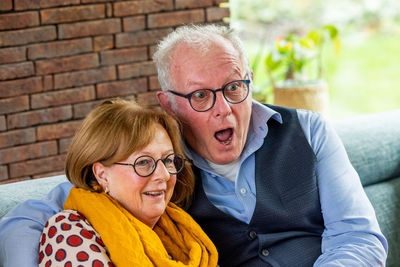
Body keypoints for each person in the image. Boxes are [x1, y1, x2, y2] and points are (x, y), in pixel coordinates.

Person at [0, 24, 387, 266]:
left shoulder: (310, 130)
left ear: (250, 80)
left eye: (234, 88)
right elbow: (31, 214)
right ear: (168, 101)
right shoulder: (154, 164)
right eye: (201, 95)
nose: (224, 110)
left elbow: (358, 236)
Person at [37, 98, 218, 266]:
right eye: (144, 162)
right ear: (102, 174)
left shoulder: (180, 231)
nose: (163, 175)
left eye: (168, 160)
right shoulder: (68, 230)